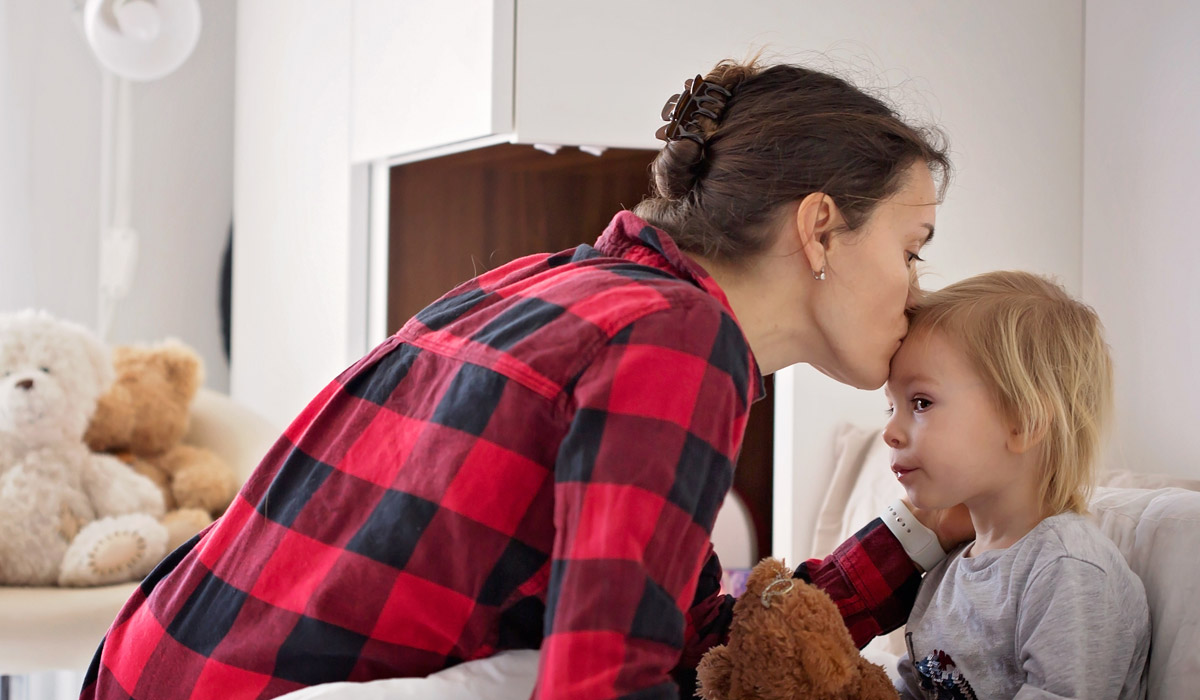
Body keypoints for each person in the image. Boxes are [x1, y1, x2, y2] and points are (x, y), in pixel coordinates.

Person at [81, 59, 963, 700]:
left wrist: (915, 535)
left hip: (147, 665)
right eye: (910, 248)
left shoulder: (567, 286)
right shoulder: (681, 343)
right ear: (819, 229)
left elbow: (696, 646)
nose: (915, 288)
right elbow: (605, 679)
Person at [884, 271, 1151, 699]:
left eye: (920, 402)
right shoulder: (949, 567)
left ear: (1024, 422)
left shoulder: (1069, 572)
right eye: (890, 406)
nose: (890, 432)